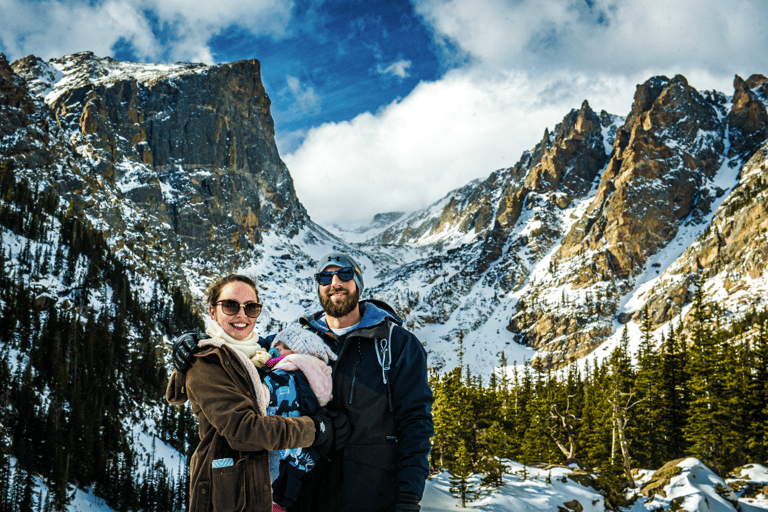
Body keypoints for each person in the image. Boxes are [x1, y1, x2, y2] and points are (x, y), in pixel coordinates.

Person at [173, 253, 434, 512]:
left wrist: (409, 497)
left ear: (358, 283)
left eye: (344, 274)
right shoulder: (297, 339)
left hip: (374, 496)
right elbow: (238, 352)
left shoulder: (396, 343)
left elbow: (416, 423)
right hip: (308, 498)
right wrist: (195, 341)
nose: (335, 283)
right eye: (325, 277)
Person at [165, 274, 348, 512]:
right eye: (230, 305)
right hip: (228, 497)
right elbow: (245, 431)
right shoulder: (207, 362)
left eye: (251, 307)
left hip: (260, 491)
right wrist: (315, 429)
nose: (242, 314)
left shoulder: (258, 354)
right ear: (212, 311)